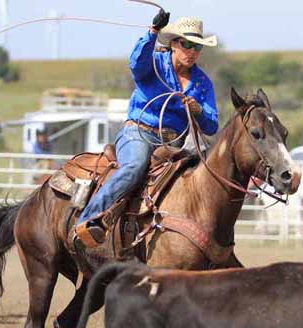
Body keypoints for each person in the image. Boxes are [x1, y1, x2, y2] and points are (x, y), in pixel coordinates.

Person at [74, 11, 220, 248]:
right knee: (134, 166)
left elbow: (212, 125)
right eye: (187, 44)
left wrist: (198, 111)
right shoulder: (154, 65)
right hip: (139, 133)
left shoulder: (203, 83)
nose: (192, 51)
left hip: (176, 144)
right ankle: (88, 220)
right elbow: (136, 62)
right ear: (174, 43)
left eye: (197, 47)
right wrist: (152, 32)